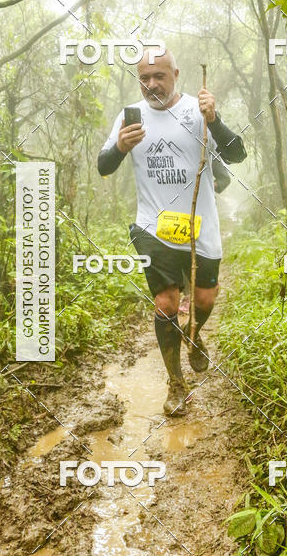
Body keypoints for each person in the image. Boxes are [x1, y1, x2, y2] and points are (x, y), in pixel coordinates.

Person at [97, 49, 247, 416]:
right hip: (153, 226)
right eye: (144, 79)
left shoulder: (198, 111)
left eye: (158, 77)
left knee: (205, 300)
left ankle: (194, 336)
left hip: (201, 226)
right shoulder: (129, 116)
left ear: (175, 74)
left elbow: (238, 154)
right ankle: (176, 383)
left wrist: (214, 120)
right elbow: (103, 166)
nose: (151, 85)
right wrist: (119, 147)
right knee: (165, 303)